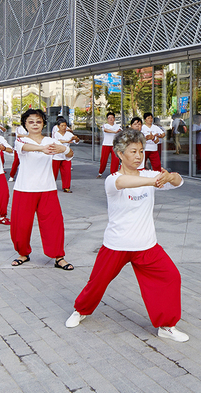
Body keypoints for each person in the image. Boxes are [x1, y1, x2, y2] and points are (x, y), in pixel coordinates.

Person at [65, 127, 188, 342]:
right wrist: (154, 180)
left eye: (141, 151)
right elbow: (124, 183)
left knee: (171, 276)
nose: (139, 156)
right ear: (120, 154)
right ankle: (81, 310)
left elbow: (179, 182)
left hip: (146, 246)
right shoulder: (113, 179)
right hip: (116, 245)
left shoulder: (150, 174)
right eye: (133, 151)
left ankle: (166, 326)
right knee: (97, 283)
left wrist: (170, 176)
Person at [10, 109, 73, 270]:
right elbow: (26, 147)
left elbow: (69, 154)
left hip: (47, 188)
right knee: (21, 225)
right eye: (31, 122)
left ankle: (59, 257)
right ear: (25, 125)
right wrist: (41, 149)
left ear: (43, 124)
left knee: (54, 224)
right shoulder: (21, 140)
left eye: (38, 121)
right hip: (24, 188)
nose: (35, 124)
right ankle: (23, 253)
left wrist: (64, 150)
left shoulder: (51, 141)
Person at [53, 119, 80, 192]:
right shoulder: (55, 133)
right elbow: (57, 141)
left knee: (67, 172)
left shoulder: (69, 134)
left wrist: (76, 138)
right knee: (54, 172)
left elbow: (76, 141)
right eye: (62, 125)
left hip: (66, 155)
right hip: (56, 155)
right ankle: (51, 186)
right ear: (58, 126)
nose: (64, 127)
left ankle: (66, 187)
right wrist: (67, 141)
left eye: (65, 125)